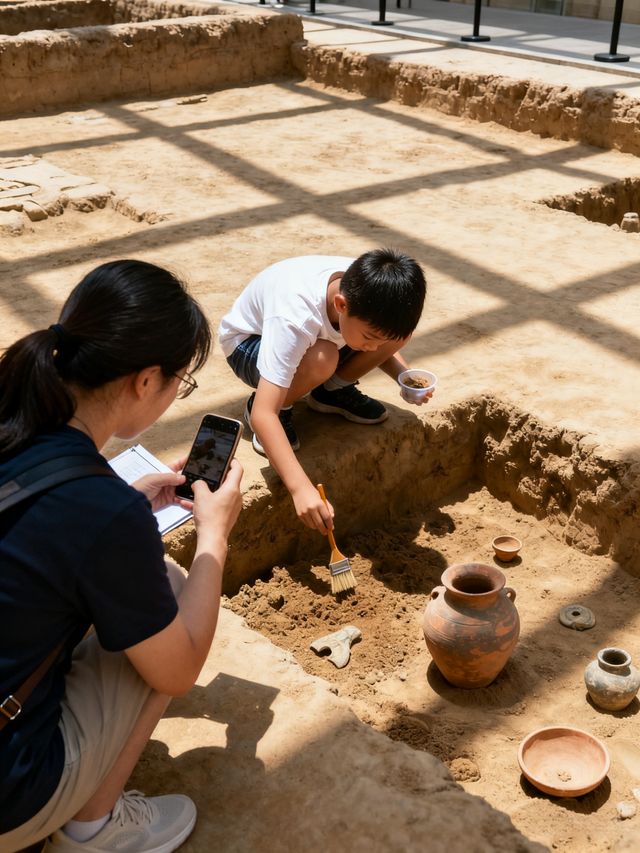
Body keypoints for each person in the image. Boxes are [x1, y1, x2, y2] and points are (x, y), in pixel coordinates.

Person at [0, 260, 243, 853]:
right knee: (175, 600)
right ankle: (93, 830)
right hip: (9, 794)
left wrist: (118, 501)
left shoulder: (16, 417)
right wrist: (215, 534)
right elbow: (179, 671)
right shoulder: (101, 510)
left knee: (145, 583)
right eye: (178, 383)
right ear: (145, 380)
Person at [218, 248, 428, 533]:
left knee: (394, 335)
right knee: (322, 358)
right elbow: (262, 415)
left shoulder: (366, 292)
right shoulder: (296, 316)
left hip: (317, 342)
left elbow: (384, 339)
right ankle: (285, 402)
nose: (374, 348)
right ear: (341, 305)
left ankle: (330, 392)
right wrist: (300, 489)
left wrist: (405, 376)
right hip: (249, 344)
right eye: (369, 337)